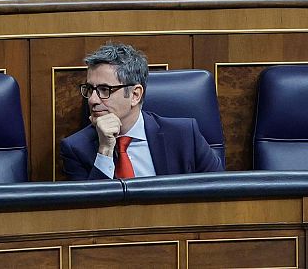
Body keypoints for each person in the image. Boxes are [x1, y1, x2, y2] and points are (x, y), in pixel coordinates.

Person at [59, 43, 221, 179]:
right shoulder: (75, 148)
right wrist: (105, 150)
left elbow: (220, 194)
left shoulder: (184, 135)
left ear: (135, 95)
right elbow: (88, 213)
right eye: (89, 89)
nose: (93, 100)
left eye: (104, 89)